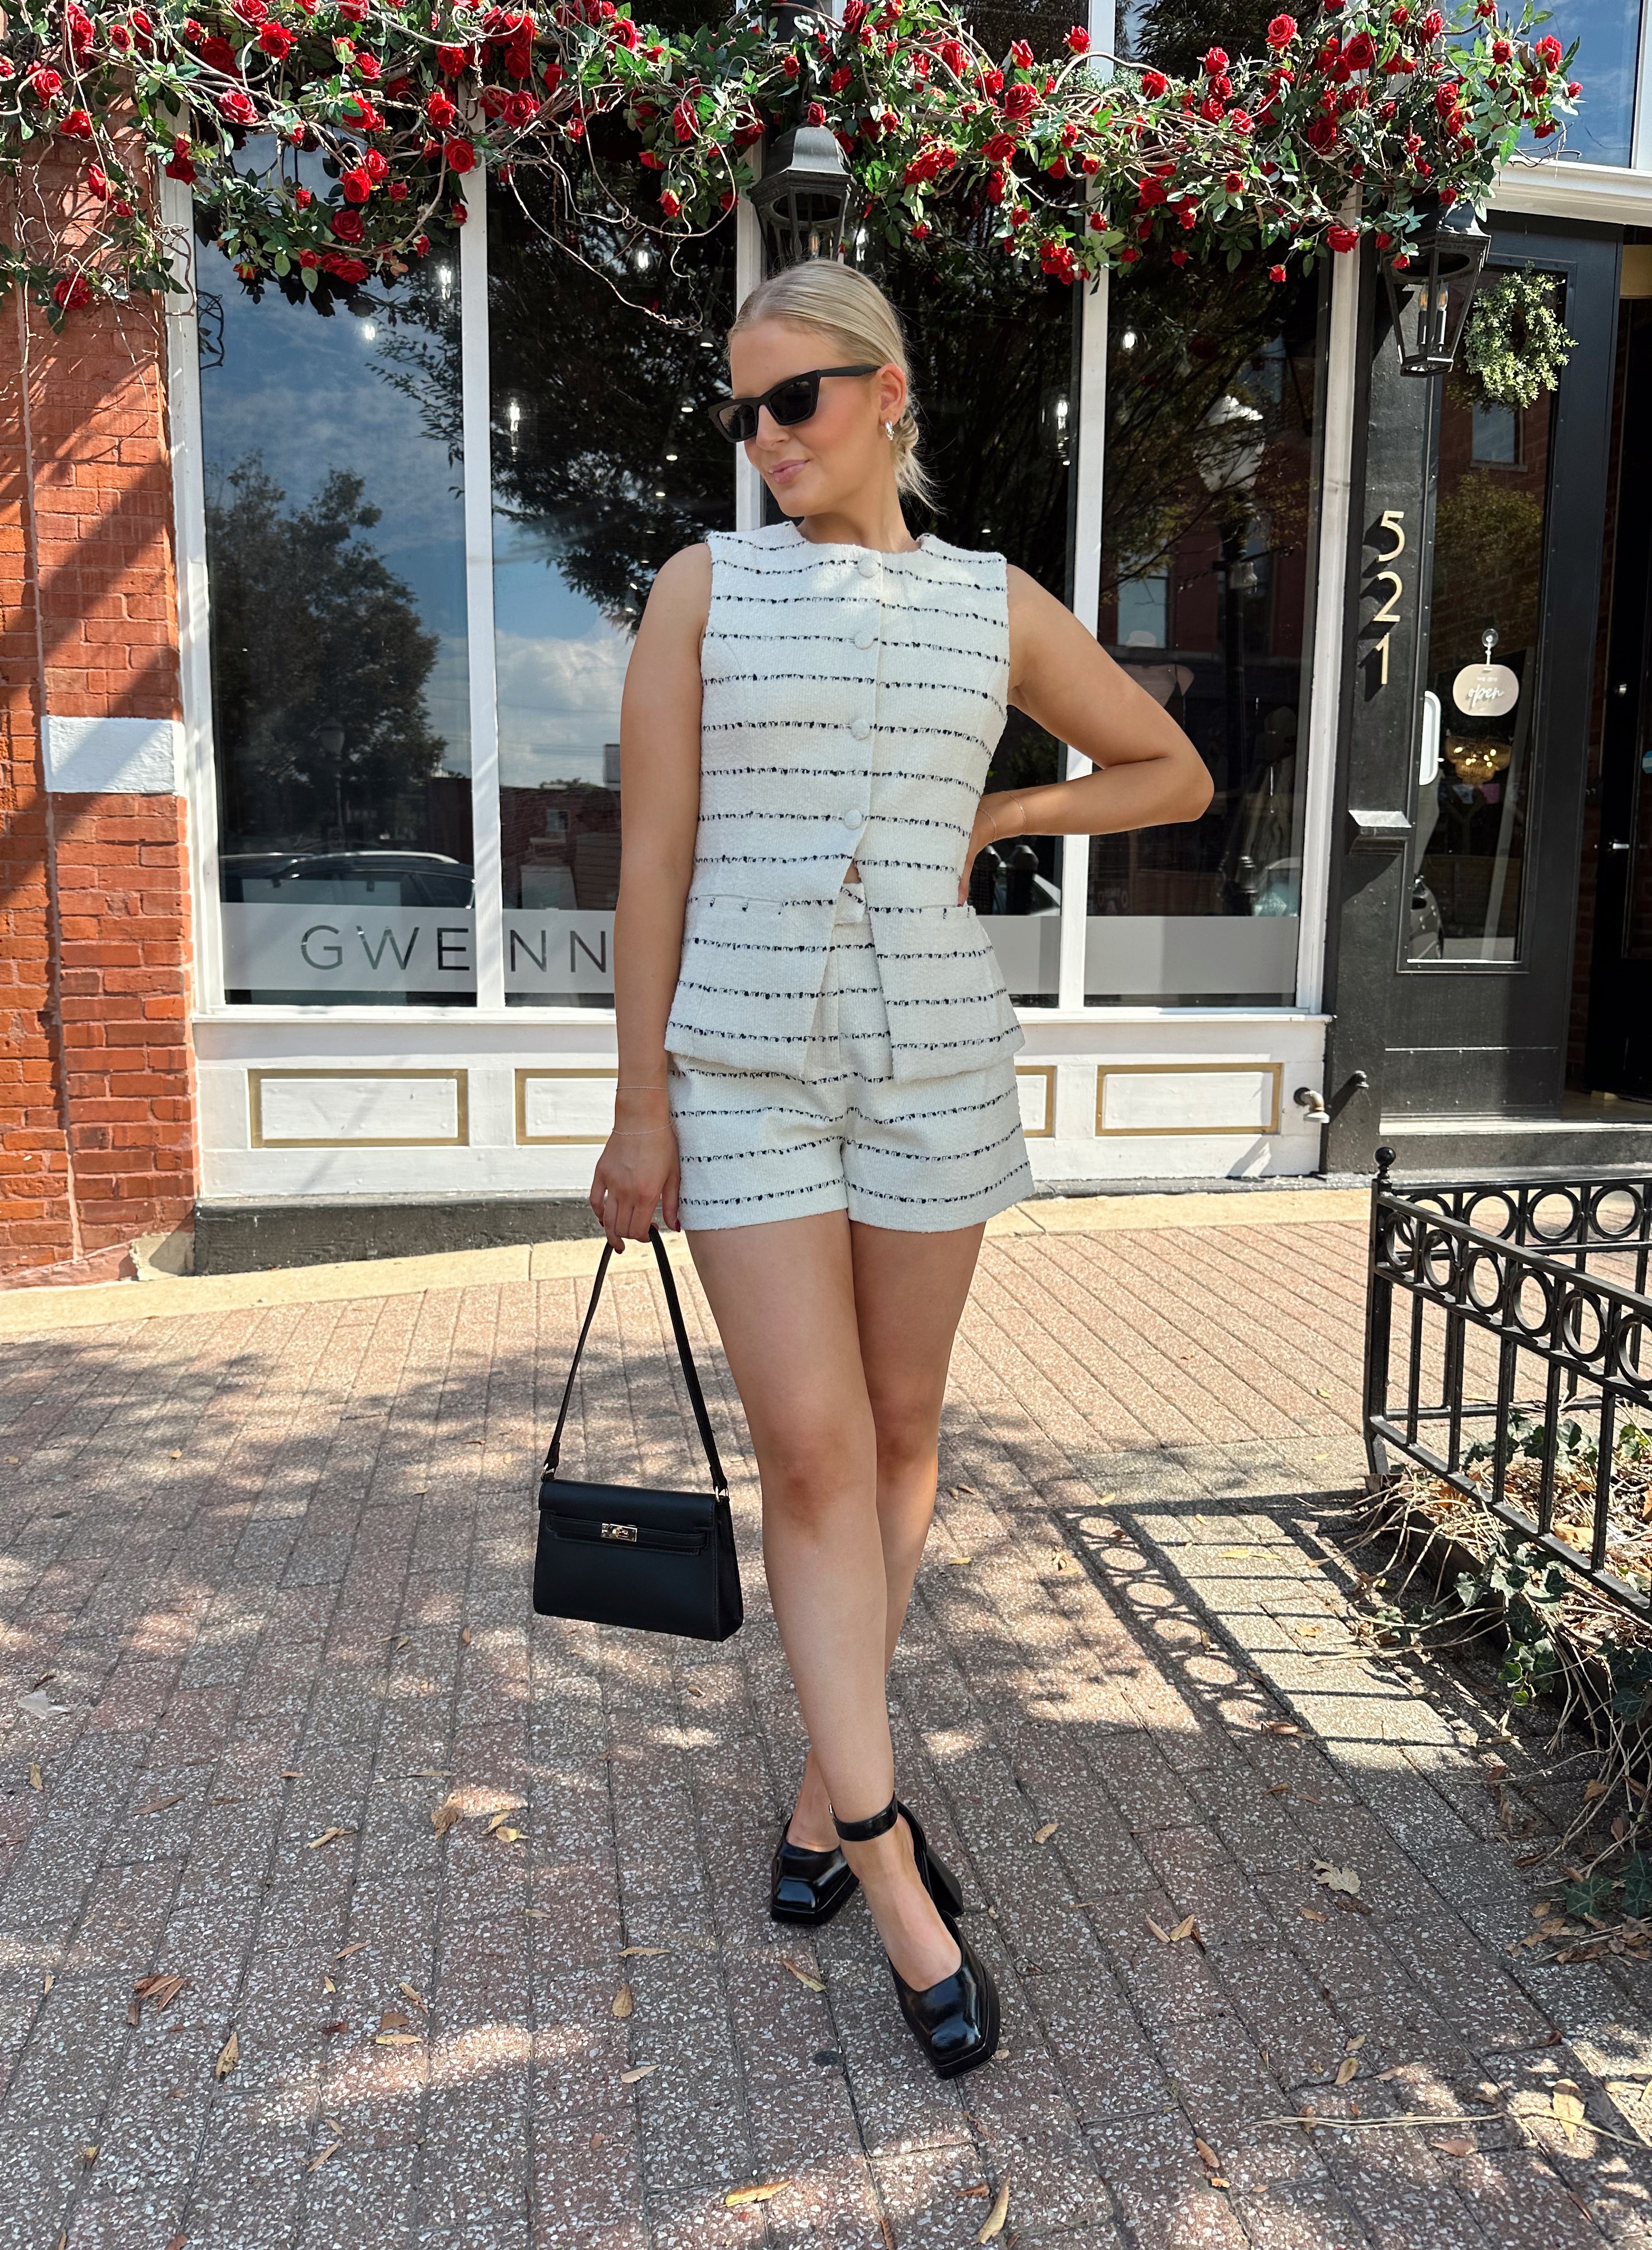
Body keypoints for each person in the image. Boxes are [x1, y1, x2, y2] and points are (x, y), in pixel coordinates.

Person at [589, 259, 1209, 2077]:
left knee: (907, 1426)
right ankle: (886, 1854)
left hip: (937, 1067)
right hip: (747, 1070)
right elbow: (648, 870)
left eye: (795, 401)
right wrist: (640, 1108)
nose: (764, 438)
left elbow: (1165, 771)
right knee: (811, 1447)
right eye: (743, 410)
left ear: (888, 398)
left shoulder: (991, 603)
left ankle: (813, 1778)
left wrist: (1002, 812)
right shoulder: (705, 589)